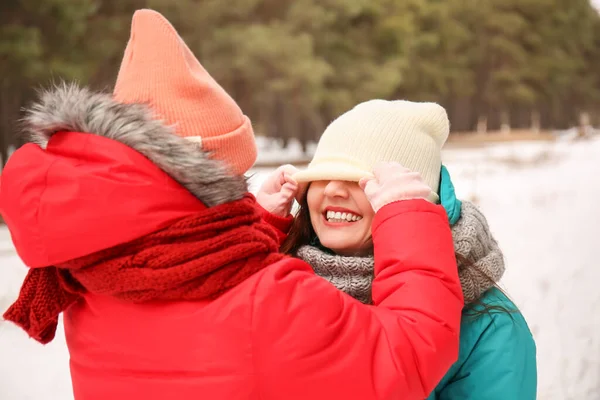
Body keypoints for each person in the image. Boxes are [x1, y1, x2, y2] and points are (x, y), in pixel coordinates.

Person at [0, 9, 463, 400]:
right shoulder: (267, 301)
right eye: (234, 179)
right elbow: (409, 352)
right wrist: (407, 215)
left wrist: (255, 224)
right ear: (205, 178)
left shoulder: (86, 283)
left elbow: (195, 289)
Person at [258, 99, 538, 399]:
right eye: (322, 175)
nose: (332, 190)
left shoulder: (489, 326)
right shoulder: (282, 285)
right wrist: (258, 239)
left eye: (360, 180)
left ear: (412, 200)